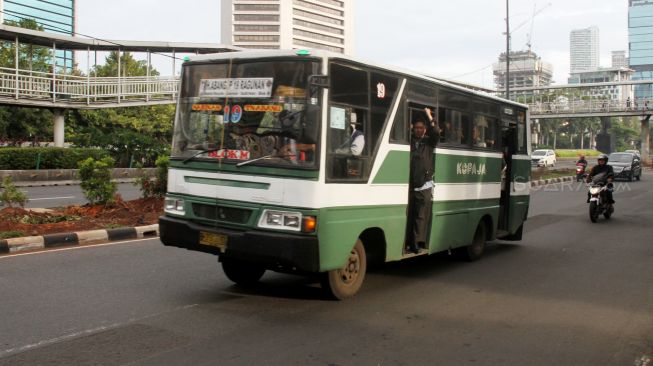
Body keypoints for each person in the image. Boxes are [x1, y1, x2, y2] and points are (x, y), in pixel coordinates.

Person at [406, 107, 441, 254]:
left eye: (421, 128)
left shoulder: (429, 143)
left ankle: (415, 244)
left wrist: (429, 115)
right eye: (416, 128)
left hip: (424, 186)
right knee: (410, 215)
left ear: (425, 129)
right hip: (410, 186)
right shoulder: (410, 142)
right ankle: (409, 242)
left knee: (420, 217)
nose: (419, 130)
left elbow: (436, 132)